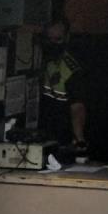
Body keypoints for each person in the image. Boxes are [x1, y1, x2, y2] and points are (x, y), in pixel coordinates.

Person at [39, 18, 88, 148]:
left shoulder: (71, 69)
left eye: (58, 39)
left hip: (62, 136)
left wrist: (79, 140)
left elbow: (77, 107)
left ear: (66, 38)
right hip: (41, 133)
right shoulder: (42, 59)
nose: (53, 44)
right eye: (50, 39)